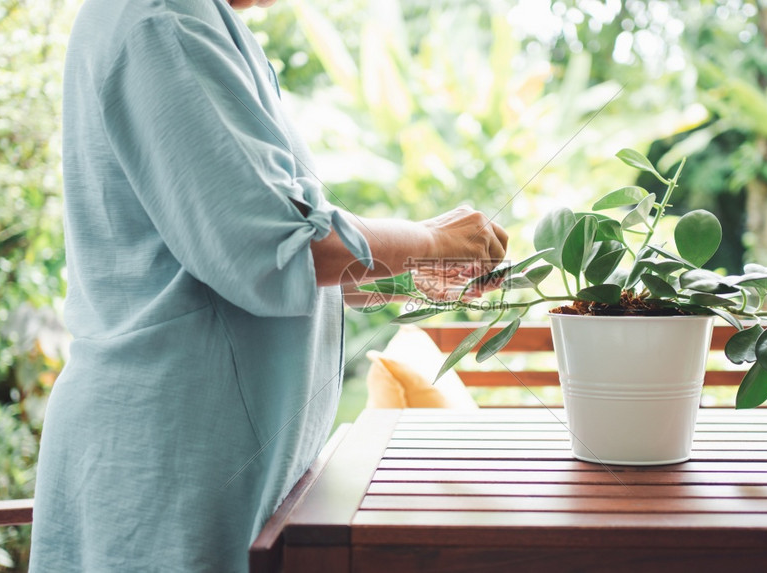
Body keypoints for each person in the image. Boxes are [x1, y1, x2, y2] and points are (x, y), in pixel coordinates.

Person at [29, 0, 508, 571]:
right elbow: (276, 249)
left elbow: (295, 267)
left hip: (213, 468)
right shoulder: (163, 19)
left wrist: (426, 279)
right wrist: (432, 242)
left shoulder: (206, 24)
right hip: (167, 466)